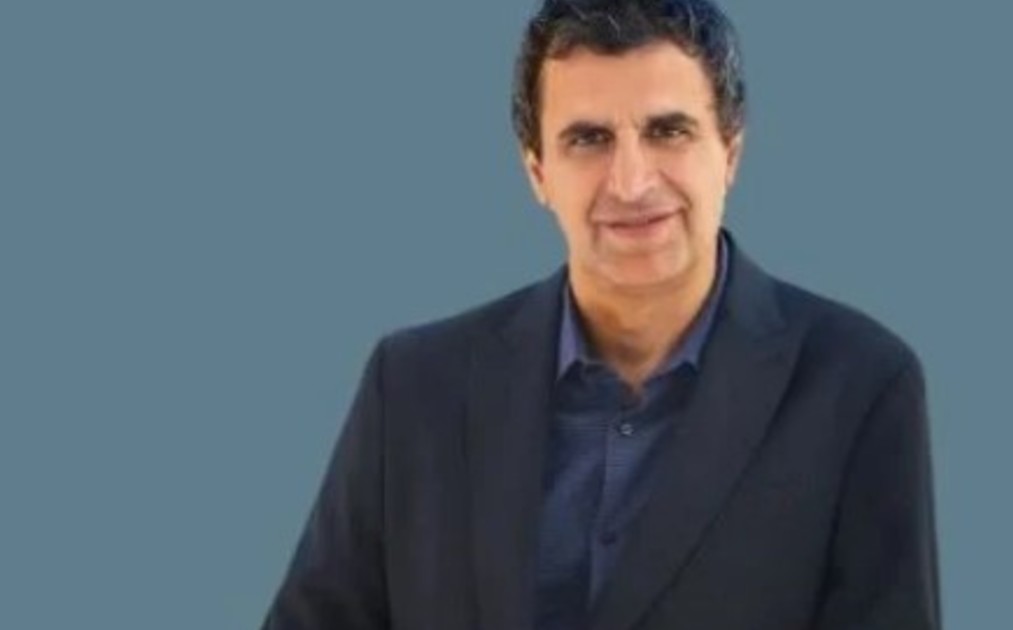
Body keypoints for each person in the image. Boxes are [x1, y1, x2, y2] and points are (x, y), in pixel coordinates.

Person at [261, 1, 940, 628]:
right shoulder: (414, 387)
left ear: (730, 151)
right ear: (536, 171)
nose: (632, 183)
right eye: (588, 139)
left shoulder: (859, 385)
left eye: (668, 131)